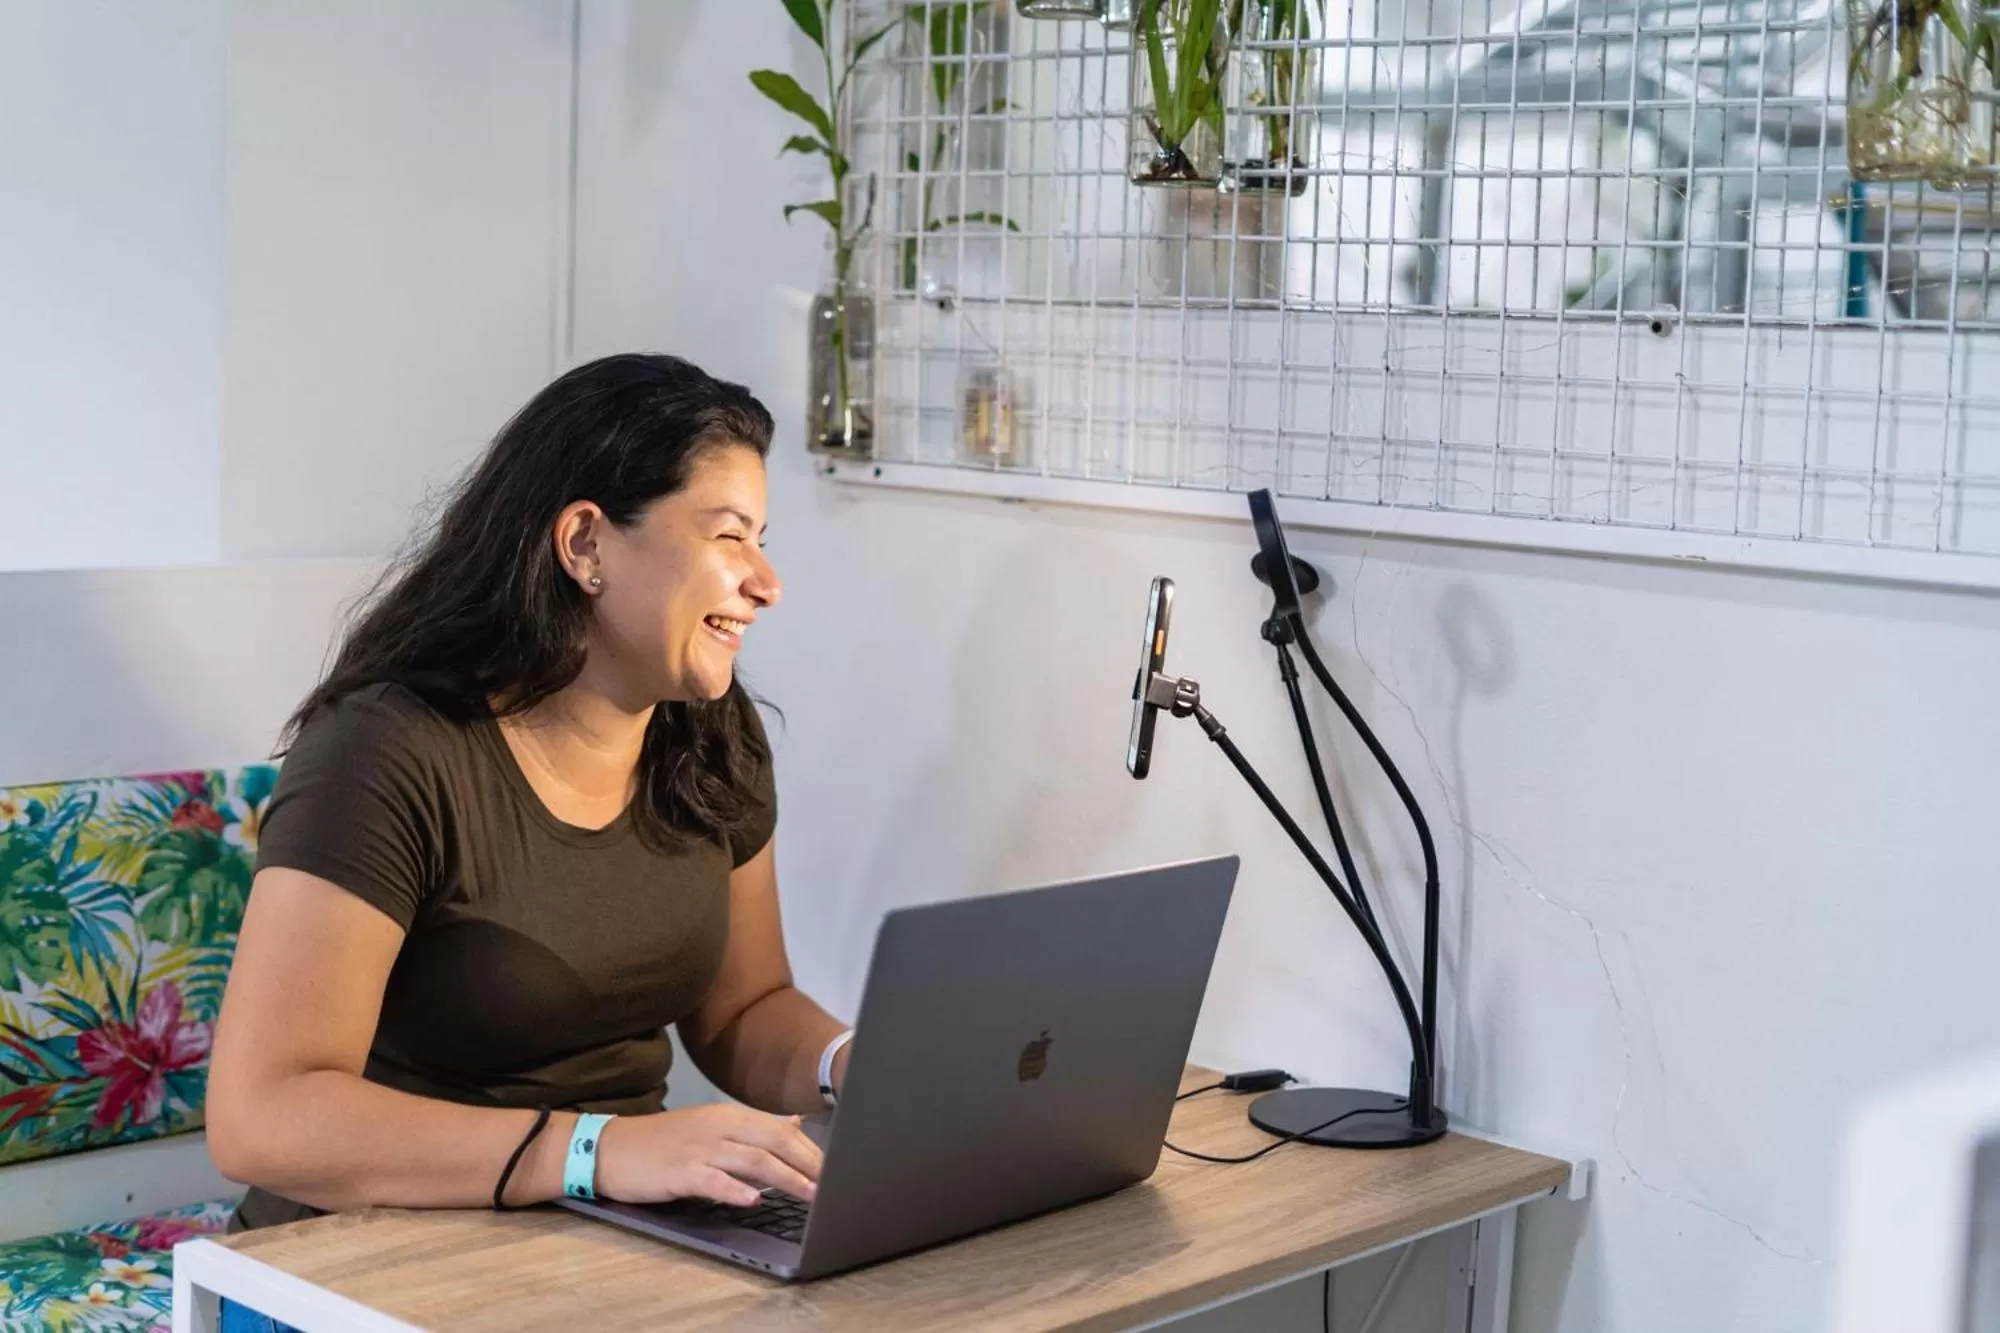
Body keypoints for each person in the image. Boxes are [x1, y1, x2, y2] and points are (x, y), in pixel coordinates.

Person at [206, 353, 845, 1248]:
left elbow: (746, 1009)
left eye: (762, 540)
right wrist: (596, 1151)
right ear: (585, 544)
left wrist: (850, 1063)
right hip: (358, 1251)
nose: (765, 582)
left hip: (612, 1237)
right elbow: (262, 1118)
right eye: (729, 537)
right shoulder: (386, 750)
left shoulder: (711, 734)